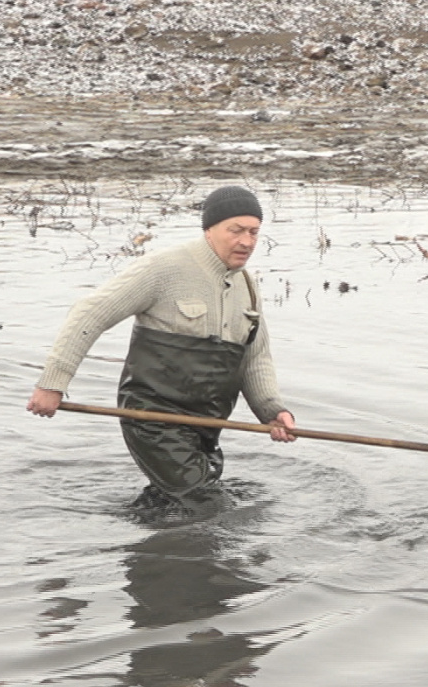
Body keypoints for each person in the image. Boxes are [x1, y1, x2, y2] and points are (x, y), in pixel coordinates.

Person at [27, 185, 297, 512]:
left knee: (175, 505)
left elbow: (254, 359)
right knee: (210, 508)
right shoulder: (164, 269)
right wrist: (52, 384)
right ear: (209, 229)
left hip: (206, 425)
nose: (247, 241)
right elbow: (90, 313)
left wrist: (272, 410)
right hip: (151, 418)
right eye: (236, 230)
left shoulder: (249, 289)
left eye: (254, 232)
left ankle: (136, 537)